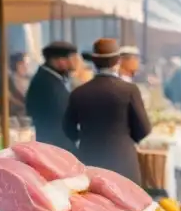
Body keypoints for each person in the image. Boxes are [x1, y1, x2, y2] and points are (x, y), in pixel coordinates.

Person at [64, 38, 152, 182]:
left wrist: (85, 137)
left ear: (94, 62)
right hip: (123, 161)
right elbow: (144, 128)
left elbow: (67, 128)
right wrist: (126, 138)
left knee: (94, 202)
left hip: (89, 158)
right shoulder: (129, 90)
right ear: (118, 62)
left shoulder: (79, 93)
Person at [26, 41, 79, 152]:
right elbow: (59, 118)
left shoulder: (52, 79)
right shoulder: (46, 83)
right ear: (58, 61)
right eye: (72, 58)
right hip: (55, 146)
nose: (76, 62)